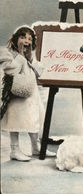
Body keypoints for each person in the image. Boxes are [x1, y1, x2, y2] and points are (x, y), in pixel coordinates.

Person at [0, 25, 56, 161]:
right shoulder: (7, 52)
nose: (26, 41)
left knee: (33, 118)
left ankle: (35, 147)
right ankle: (14, 149)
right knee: (15, 120)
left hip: (31, 93)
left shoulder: (31, 54)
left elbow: (39, 72)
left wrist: (30, 58)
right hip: (15, 93)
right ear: (15, 38)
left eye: (29, 39)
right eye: (23, 37)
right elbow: (10, 70)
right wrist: (20, 55)